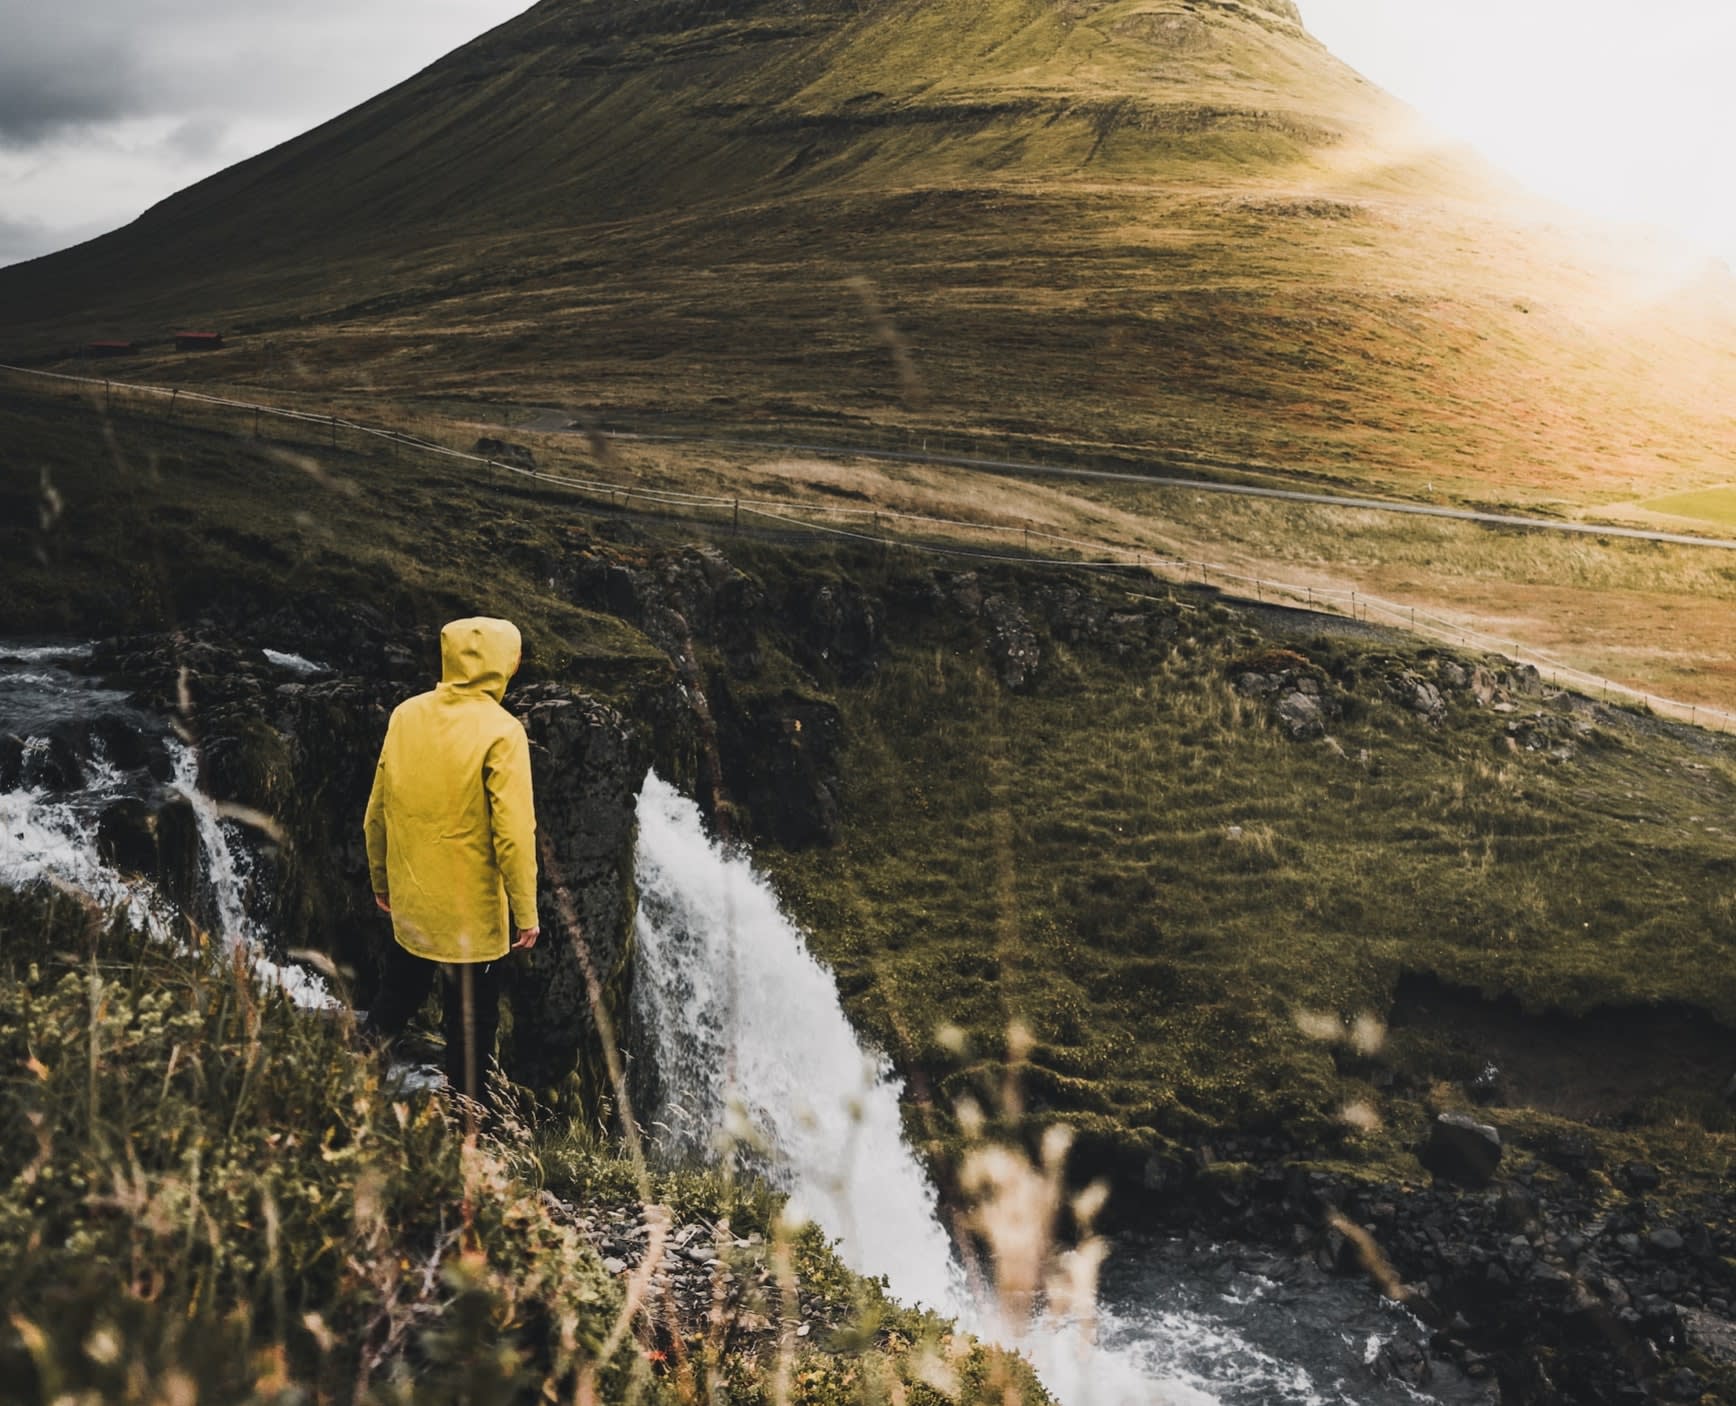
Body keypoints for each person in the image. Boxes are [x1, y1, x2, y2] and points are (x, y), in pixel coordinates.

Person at [361, 616, 540, 1107]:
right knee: (472, 1023)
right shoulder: (503, 732)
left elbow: (376, 811)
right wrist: (525, 910)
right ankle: (466, 1126)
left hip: (414, 896)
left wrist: (383, 880)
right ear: (502, 663)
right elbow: (514, 834)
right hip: (474, 914)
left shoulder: (405, 715)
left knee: (396, 996)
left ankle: (347, 1080)